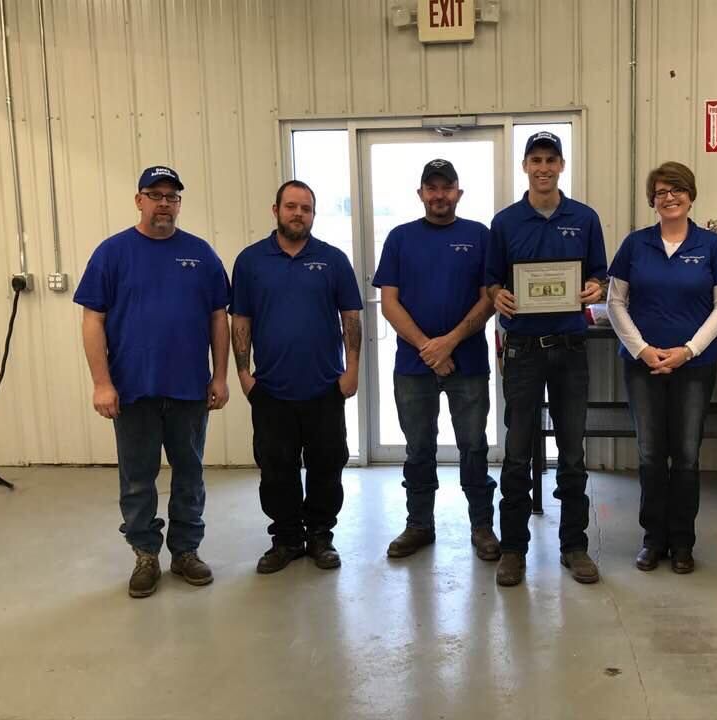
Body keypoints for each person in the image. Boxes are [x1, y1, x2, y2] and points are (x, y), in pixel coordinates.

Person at [74, 165, 231, 599]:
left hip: (189, 390)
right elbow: (93, 320)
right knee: (138, 477)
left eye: (172, 196)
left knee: (190, 474)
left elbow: (219, 318)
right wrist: (101, 383)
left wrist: (219, 376)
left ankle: (185, 552)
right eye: (155, 194)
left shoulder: (201, 255)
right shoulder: (112, 253)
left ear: (179, 203)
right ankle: (146, 554)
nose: (164, 203)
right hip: (133, 390)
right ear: (139, 200)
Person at [485, 131, 608, 586]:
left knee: (572, 453)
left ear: (561, 165)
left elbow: (600, 274)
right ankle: (514, 548)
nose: (543, 167)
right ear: (525, 166)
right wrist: (498, 296)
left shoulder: (586, 218)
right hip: (522, 353)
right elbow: (491, 282)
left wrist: (596, 288)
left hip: (571, 351)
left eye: (550, 159)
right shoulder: (505, 222)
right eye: (535, 159)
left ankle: (574, 546)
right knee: (516, 454)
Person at [607, 162, 717, 574]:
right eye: (661, 192)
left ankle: (682, 543)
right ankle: (653, 540)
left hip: (694, 366)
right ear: (652, 199)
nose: (669, 197)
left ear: (691, 195)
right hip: (642, 365)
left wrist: (688, 350)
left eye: (677, 190)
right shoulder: (635, 244)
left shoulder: (712, 246)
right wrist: (643, 350)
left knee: (685, 455)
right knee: (649, 455)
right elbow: (614, 303)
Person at [230, 180, 362, 574]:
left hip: (324, 387)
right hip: (270, 390)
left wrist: (351, 370)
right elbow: (241, 320)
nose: (298, 214)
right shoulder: (251, 261)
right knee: (275, 468)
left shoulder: (333, 259)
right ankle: (286, 538)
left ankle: (320, 536)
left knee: (327, 464)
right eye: (291, 206)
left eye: (306, 208)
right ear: (276, 211)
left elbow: (351, 317)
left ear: (313, 215)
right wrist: (243, 374)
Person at [372, 159, 498, 561]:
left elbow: (490, 297)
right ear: (421, 193)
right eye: (432, 187)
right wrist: (429, 347)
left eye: (447, 187)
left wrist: (450, 343)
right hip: (413, 367)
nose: (439, 195)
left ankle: (482, 526)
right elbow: (388, 303)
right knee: (418, 449)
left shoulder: (480, 236)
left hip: (469, 365)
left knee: (474, 447)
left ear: (458, 192)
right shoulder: (400, 238)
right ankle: (419, 526)